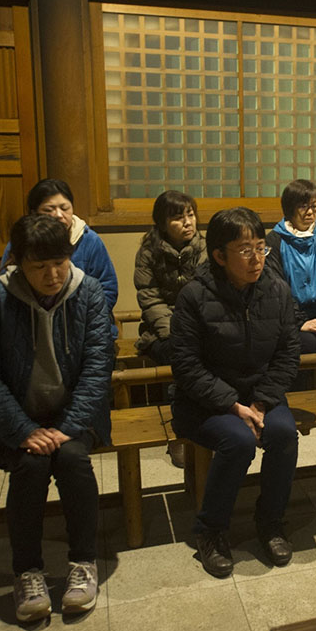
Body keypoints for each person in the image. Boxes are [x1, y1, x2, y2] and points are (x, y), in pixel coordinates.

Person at [0, 214, 114, 623]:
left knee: (72, 460)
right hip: (17, 418)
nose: (52, 275)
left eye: (60, 263)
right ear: (17, 261)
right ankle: (27, 572)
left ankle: (83, 564)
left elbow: (98, 366)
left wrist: (67, 427)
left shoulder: (90, 293)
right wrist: (23, 430)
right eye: (39, 266)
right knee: (30, 465)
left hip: (76, 419)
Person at [170, 207, 300, 578]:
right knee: (239, 441)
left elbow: (288, 354)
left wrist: (259, 402)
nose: (256, 258)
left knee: (282, 433)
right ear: (218, 256)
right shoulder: (194, 296)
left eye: (261, 247)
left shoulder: (277, 291)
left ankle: (271, 522)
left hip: (260, 395)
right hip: (205, 402)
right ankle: (210, 530)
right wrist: (232, 404)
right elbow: (186, 365)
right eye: (245, 250)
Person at [133, 191, 207, 468]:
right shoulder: (149, 251)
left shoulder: (205, 248)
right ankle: (180, 433)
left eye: (190, 215)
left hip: (198, 326)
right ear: (162, 223)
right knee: (181, 356)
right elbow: (149, 298)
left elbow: (207, 294)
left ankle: (206, 425)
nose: (188, 222)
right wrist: (176, 332)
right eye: (178, 217)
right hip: (161, 331)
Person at [0, 178, 119, 337]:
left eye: (65, 208)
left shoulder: (90, 240)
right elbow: (8, 285)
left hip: (86, 326)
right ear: (34, 213)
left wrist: (83, 319)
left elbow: (108, 287)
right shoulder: (22, 242)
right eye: (49, 210)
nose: (58, 215)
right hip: (33, 327)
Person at [265, 179, 316, 355]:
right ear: (289, 208)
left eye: (314, 207)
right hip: (287, 317)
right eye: (303, 206)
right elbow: (277, 286)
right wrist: (299, 321)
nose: (310, 212)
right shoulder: (275, 240)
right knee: (306, 343)